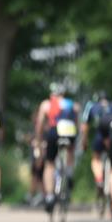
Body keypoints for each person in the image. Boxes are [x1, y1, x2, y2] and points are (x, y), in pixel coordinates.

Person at [34, 82, 79, 213]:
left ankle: (49, 196)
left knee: (49, 164)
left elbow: (40, 125)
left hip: (55, 132)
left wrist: (38, 140)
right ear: (63, 94)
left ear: (51, 94)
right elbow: (76, 123)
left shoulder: (46, 104)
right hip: (70, 131)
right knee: (70, 151)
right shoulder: (73, 105)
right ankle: (69, 173)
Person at [81, 91, 112, 196]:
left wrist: (84, 141)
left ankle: (99, 179)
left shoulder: (92, 106)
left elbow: (85, 125)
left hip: (100, 135)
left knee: (96, 158)